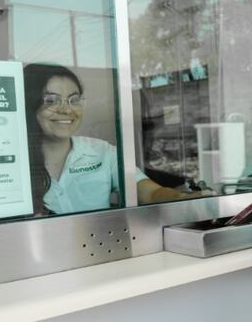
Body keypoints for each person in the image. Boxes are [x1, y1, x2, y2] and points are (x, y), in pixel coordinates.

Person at [24, 63, 204, 215]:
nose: (66, 110)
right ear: (29, 104)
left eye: (74, 99)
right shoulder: (15, 163)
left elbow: (150, 193)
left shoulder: (103, 152)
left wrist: (184, 199)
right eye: (51, 100)